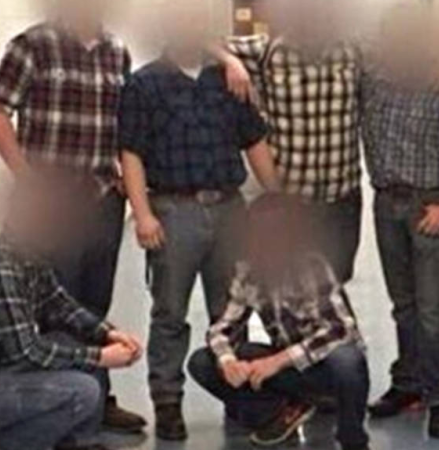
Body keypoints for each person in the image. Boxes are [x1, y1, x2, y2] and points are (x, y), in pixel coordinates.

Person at [118, 1, 281, 441]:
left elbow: (254, 141)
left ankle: (238, 396)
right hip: (175, 212)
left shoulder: (227, 79)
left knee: (231, 312)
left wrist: (279, 197)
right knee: (170, 313)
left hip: (229, 209)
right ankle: (167, 401)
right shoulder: (144, 85)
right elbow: (131, 153)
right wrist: (143, 214)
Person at [0, 0, 145, 432]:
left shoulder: (117, 52)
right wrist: (29, 180)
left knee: (94, 304)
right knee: (56, 309)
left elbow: (122, 126)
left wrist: (125, 182)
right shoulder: (32, 45)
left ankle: (97, 401)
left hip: (103, 202)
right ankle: (68, 413)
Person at [0, 174, 143, 450]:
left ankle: (79, 444)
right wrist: (100, 357)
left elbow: (61, 305)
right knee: (83, 390)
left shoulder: (30, 254)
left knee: (75, 345)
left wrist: (108, 334)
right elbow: (27, 351)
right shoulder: (0, 268)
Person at [361, 3, 439, 439]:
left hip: (429, 207)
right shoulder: (373, 79)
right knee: (404, 306)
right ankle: (407, 382)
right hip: (386, 204)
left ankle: (438, 396)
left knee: (433, 310)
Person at [187, 195, 371, 450]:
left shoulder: (313, 267)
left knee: (347, 360)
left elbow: (341, 330)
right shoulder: (248, 271)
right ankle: (281, 413)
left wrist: (277, 361)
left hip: (321, 366)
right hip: (288, 368)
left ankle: (352, 439)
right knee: (202, 362)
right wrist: (228, 361)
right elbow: (222, 328)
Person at [213, 0, 364, 284]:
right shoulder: (267, 50)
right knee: (287, 288)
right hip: (289, 202)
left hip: (340, 202)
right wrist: (231, 61)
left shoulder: (355, 50)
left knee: (334, 286)